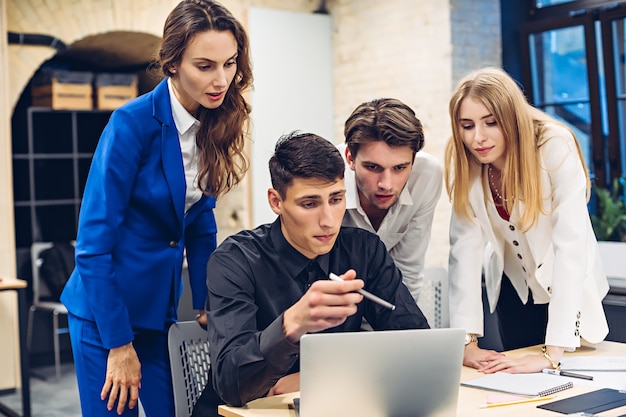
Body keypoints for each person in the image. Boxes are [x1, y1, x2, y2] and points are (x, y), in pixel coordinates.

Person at [59, 0, 253, 415]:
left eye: (230, 63)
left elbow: (200, 224)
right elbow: (92, 247)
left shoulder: (215, 122)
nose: (221, 80)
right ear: (172, 64)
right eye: (205, 66)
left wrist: (207, 304)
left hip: (160, 313)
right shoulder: (131, 124)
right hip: (105, 317)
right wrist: (118, 343)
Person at [193, 131, 430, 416]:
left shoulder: (364, 251)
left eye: (336, 199)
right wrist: (290, 325)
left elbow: (415, 346)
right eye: (309, 204)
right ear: (276, 201)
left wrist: (310, 380)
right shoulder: (235, 261)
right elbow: (231, 386)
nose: (328, 221)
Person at [444, 66, 609, 375]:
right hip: (513, 289)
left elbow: (571, 247)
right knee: (516, 388)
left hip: (568, 291)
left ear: (511, 117)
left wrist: (552, 353)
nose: (477, 137)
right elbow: (462, 250)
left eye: (491, 123)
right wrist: (466, 343)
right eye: (467, 126)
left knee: (571, 387)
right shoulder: (465, 159)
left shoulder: (553, 145)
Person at [340, 98, 443, 301]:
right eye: (373, 167)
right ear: (350, 158)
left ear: (413, 161)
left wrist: (401, 330)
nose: (386, 184)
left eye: (399, 168)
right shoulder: (329, 175)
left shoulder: (427, 176)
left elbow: (408, 271)